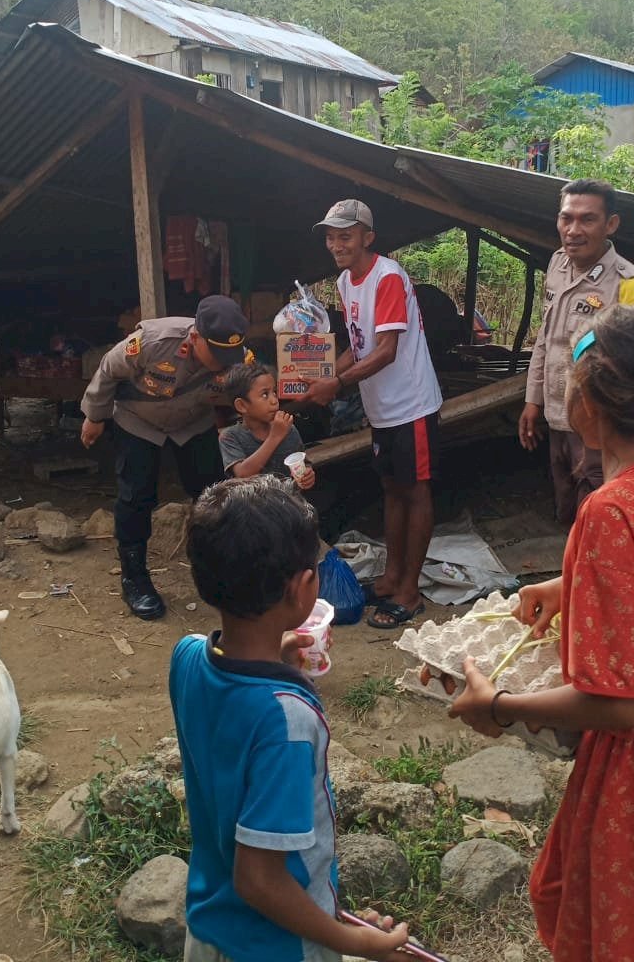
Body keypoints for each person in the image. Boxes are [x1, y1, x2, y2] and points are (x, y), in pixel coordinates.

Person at [451, 303, 634, 962]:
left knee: (611, 943)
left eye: (568, 374)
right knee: (587, 903)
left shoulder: (608, 511)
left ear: (589, 401)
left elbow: (618, 704)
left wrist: (497, 707)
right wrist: (572, 588)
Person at [169, 475, 410, 962]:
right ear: (302, 591)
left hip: (209, 929)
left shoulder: (186, 657)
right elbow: (258, 878)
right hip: (277, 948)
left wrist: (274, 658)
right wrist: (351, 939)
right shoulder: (289, 721)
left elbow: (228, 695)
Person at [304, 199, 442, 629]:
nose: (336, 244)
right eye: (330, 236)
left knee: (415, 492)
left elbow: (386, 350)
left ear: (368, 237)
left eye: (345, 235)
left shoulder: (387, 277)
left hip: (412, 404)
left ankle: (410, 591)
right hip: (382, 407)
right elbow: (357, 345)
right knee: (391, 489)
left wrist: (337, 384)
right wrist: (323, 376)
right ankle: (391, 578)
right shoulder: (346, 282)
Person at [80, 295, 251, 621]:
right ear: (196, 337)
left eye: (227, 354)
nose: (222, 361)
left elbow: (251, 385)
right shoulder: (153, 342)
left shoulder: (236, 357)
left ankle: (215, 568)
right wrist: (95, 417)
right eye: (215, 353)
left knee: (211, 492)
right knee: (136, 495)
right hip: (139, 420)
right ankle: (135, 578)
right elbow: (107, 370)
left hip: (192, 422)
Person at [519, 178, 634, 526]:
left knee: (598, 523)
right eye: (567, 218)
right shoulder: (557, 265)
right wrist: (533, 401)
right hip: (558, 420)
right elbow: (546, 338)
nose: (573, 230)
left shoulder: (629, 285)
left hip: (601, 433)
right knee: (566, 514)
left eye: (587, 219)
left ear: (611, 224)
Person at [219, 363, 316, 491]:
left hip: (290, 504)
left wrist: (307, 475)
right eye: (265, 395)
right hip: (256, 509)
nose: (274, 400)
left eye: (274, 392)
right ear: (241, 405)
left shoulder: (288, 429)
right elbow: (243, 474)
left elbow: (301, 463)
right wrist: (275, 437)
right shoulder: (230, 437)